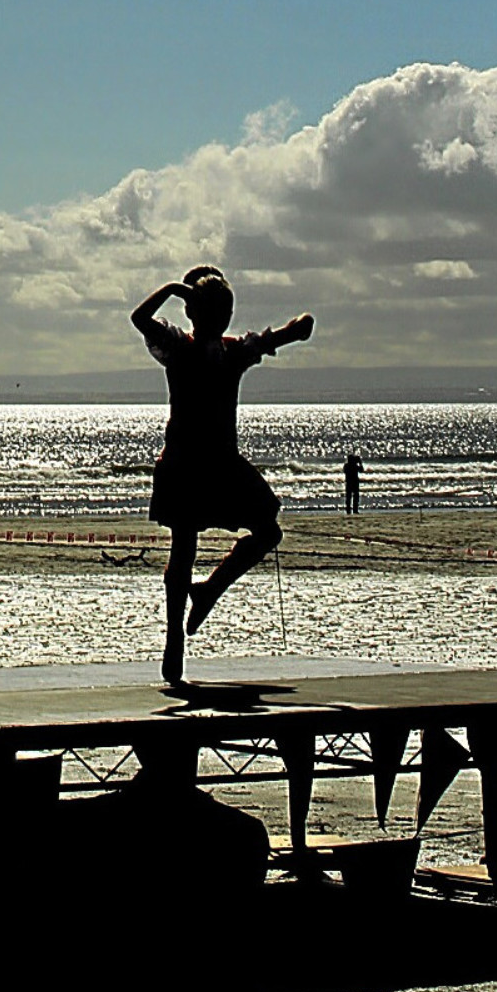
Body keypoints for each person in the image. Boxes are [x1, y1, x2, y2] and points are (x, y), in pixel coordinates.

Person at [133, 266, 314, 684]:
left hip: (219, 462)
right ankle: (175, 636)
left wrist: (296, 330)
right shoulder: (178, 347)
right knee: (184, 546)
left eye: (224, 311)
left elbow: (271, 340)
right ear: (198, 314)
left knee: (267, 530)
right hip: (186, 461)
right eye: (216, 311)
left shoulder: (230, 352)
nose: (222, 319)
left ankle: (210, 588)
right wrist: (175, 289)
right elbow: (140, 319)